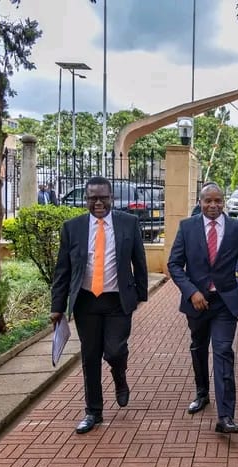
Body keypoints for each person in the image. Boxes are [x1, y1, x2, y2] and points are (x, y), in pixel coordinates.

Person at [50, 176, 148, 434]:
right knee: (90, 357)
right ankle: (93, 411)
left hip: (117, 301)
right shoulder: (73, 227)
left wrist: (140, 295)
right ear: (86, 199)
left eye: (103, 197)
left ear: (111, 198)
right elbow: (63, 270)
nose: (98, 202)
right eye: (93, 197)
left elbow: (139, 261)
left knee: (114, 351)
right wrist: (57, 306)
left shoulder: (129, 223)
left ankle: (119, 376)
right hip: (86, 302)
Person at [167, 183, 238, 434]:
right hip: (196, 302)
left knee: (222, 352)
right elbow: (174, 264)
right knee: (198, 348)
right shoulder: (187, 227)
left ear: (224, 202)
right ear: (200, 201)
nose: (213, 205)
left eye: (218, 201)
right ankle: (202, 393)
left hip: (224, 302)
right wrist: (191, 292)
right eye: (208, 201)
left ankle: (226, 415)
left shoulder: (237, 229)